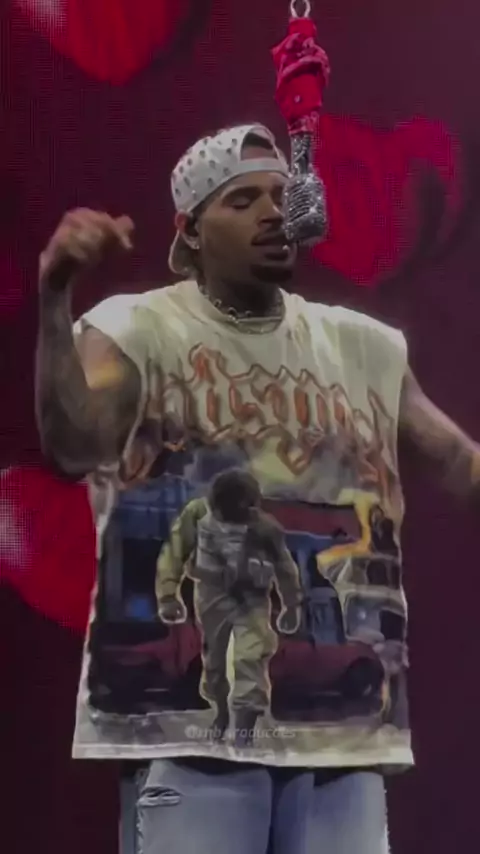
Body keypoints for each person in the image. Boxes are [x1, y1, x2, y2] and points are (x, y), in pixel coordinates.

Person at [36, 123, 480, 854]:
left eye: (281, 195)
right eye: (242, 200)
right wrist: (55, 296)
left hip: (344, 737)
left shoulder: (363, 344)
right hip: (187, 735)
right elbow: (74, 447)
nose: (274, 212)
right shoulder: (138, 327)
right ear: (189, 231)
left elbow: (459, 463)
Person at [156, 468, 302, 744]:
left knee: (251, 656)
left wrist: (292, 604)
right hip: (211, 594)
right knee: (214, 663)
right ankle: (221, 714)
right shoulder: (197, 514)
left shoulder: (266, 528)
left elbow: (285, 567)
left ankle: (245, 730)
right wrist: (167, 595)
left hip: (252, 598)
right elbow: (174, 552)